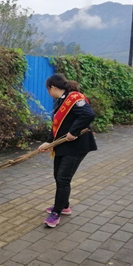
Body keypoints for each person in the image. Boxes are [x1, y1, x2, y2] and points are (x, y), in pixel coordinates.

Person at [38, 73, 97, 228]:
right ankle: (64, 206)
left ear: (52, 87)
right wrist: (48, 143)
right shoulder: (61, 101)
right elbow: (57, 126)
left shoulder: (74, 98)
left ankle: (56, 213)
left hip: (76, 146)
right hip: (63, 145)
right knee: (58, 176)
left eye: (48, 89)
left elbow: (88, 114)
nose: (48, 93)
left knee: (63, 179)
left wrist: (73, 132)